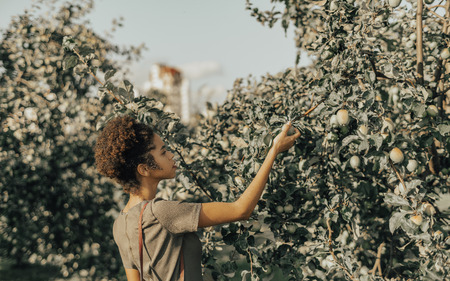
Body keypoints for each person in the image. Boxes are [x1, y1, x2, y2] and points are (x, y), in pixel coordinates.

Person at [94, 115, 301, 281]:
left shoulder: (120, 224)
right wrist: (274, 150)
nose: (172, 155)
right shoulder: (161, 212)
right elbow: (241, 210)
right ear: (144, 169)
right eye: (164, 152)